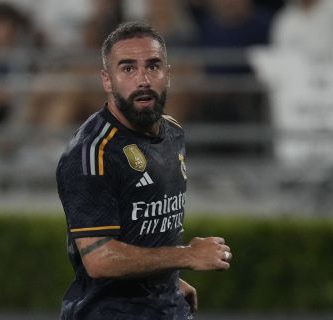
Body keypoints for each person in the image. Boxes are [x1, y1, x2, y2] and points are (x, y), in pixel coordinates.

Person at [56, 22, 232, 320]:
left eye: (153, 66)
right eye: (127, 69)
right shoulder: (92, 153)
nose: (143, 79)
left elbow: (144, 230)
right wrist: (186, 255)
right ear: (107, 80)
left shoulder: (173, 132)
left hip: (166, 309)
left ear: (168, 74)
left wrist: (169, 280)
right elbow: (99, 258)